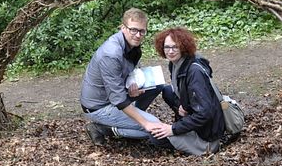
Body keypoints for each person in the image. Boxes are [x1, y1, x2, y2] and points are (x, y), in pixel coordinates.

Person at [80, 8, 172, 145]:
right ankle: (102, 128)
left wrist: (132, 84)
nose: (138, 35)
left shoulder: (131, 44)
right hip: (99, 106)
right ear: (123, 28)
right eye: (133, 30)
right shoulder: (111, 54)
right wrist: (145, 123)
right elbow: (118, 99)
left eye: (142, 31)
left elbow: (129, 72)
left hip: (114, 94)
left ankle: (130, 119)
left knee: (157, 84)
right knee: (155, 127)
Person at [149, 27, 225, 155]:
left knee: (155, 137)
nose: (170, 51)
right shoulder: (175, 64)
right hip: (196, 115)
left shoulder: (194, 71)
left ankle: (195, 143)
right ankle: (184, 128)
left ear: (183, 47)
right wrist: (182, 105)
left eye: (175, 47)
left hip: (207, 137)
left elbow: (205, 113)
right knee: (167, 91)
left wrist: (173, 129)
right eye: (167, 47)